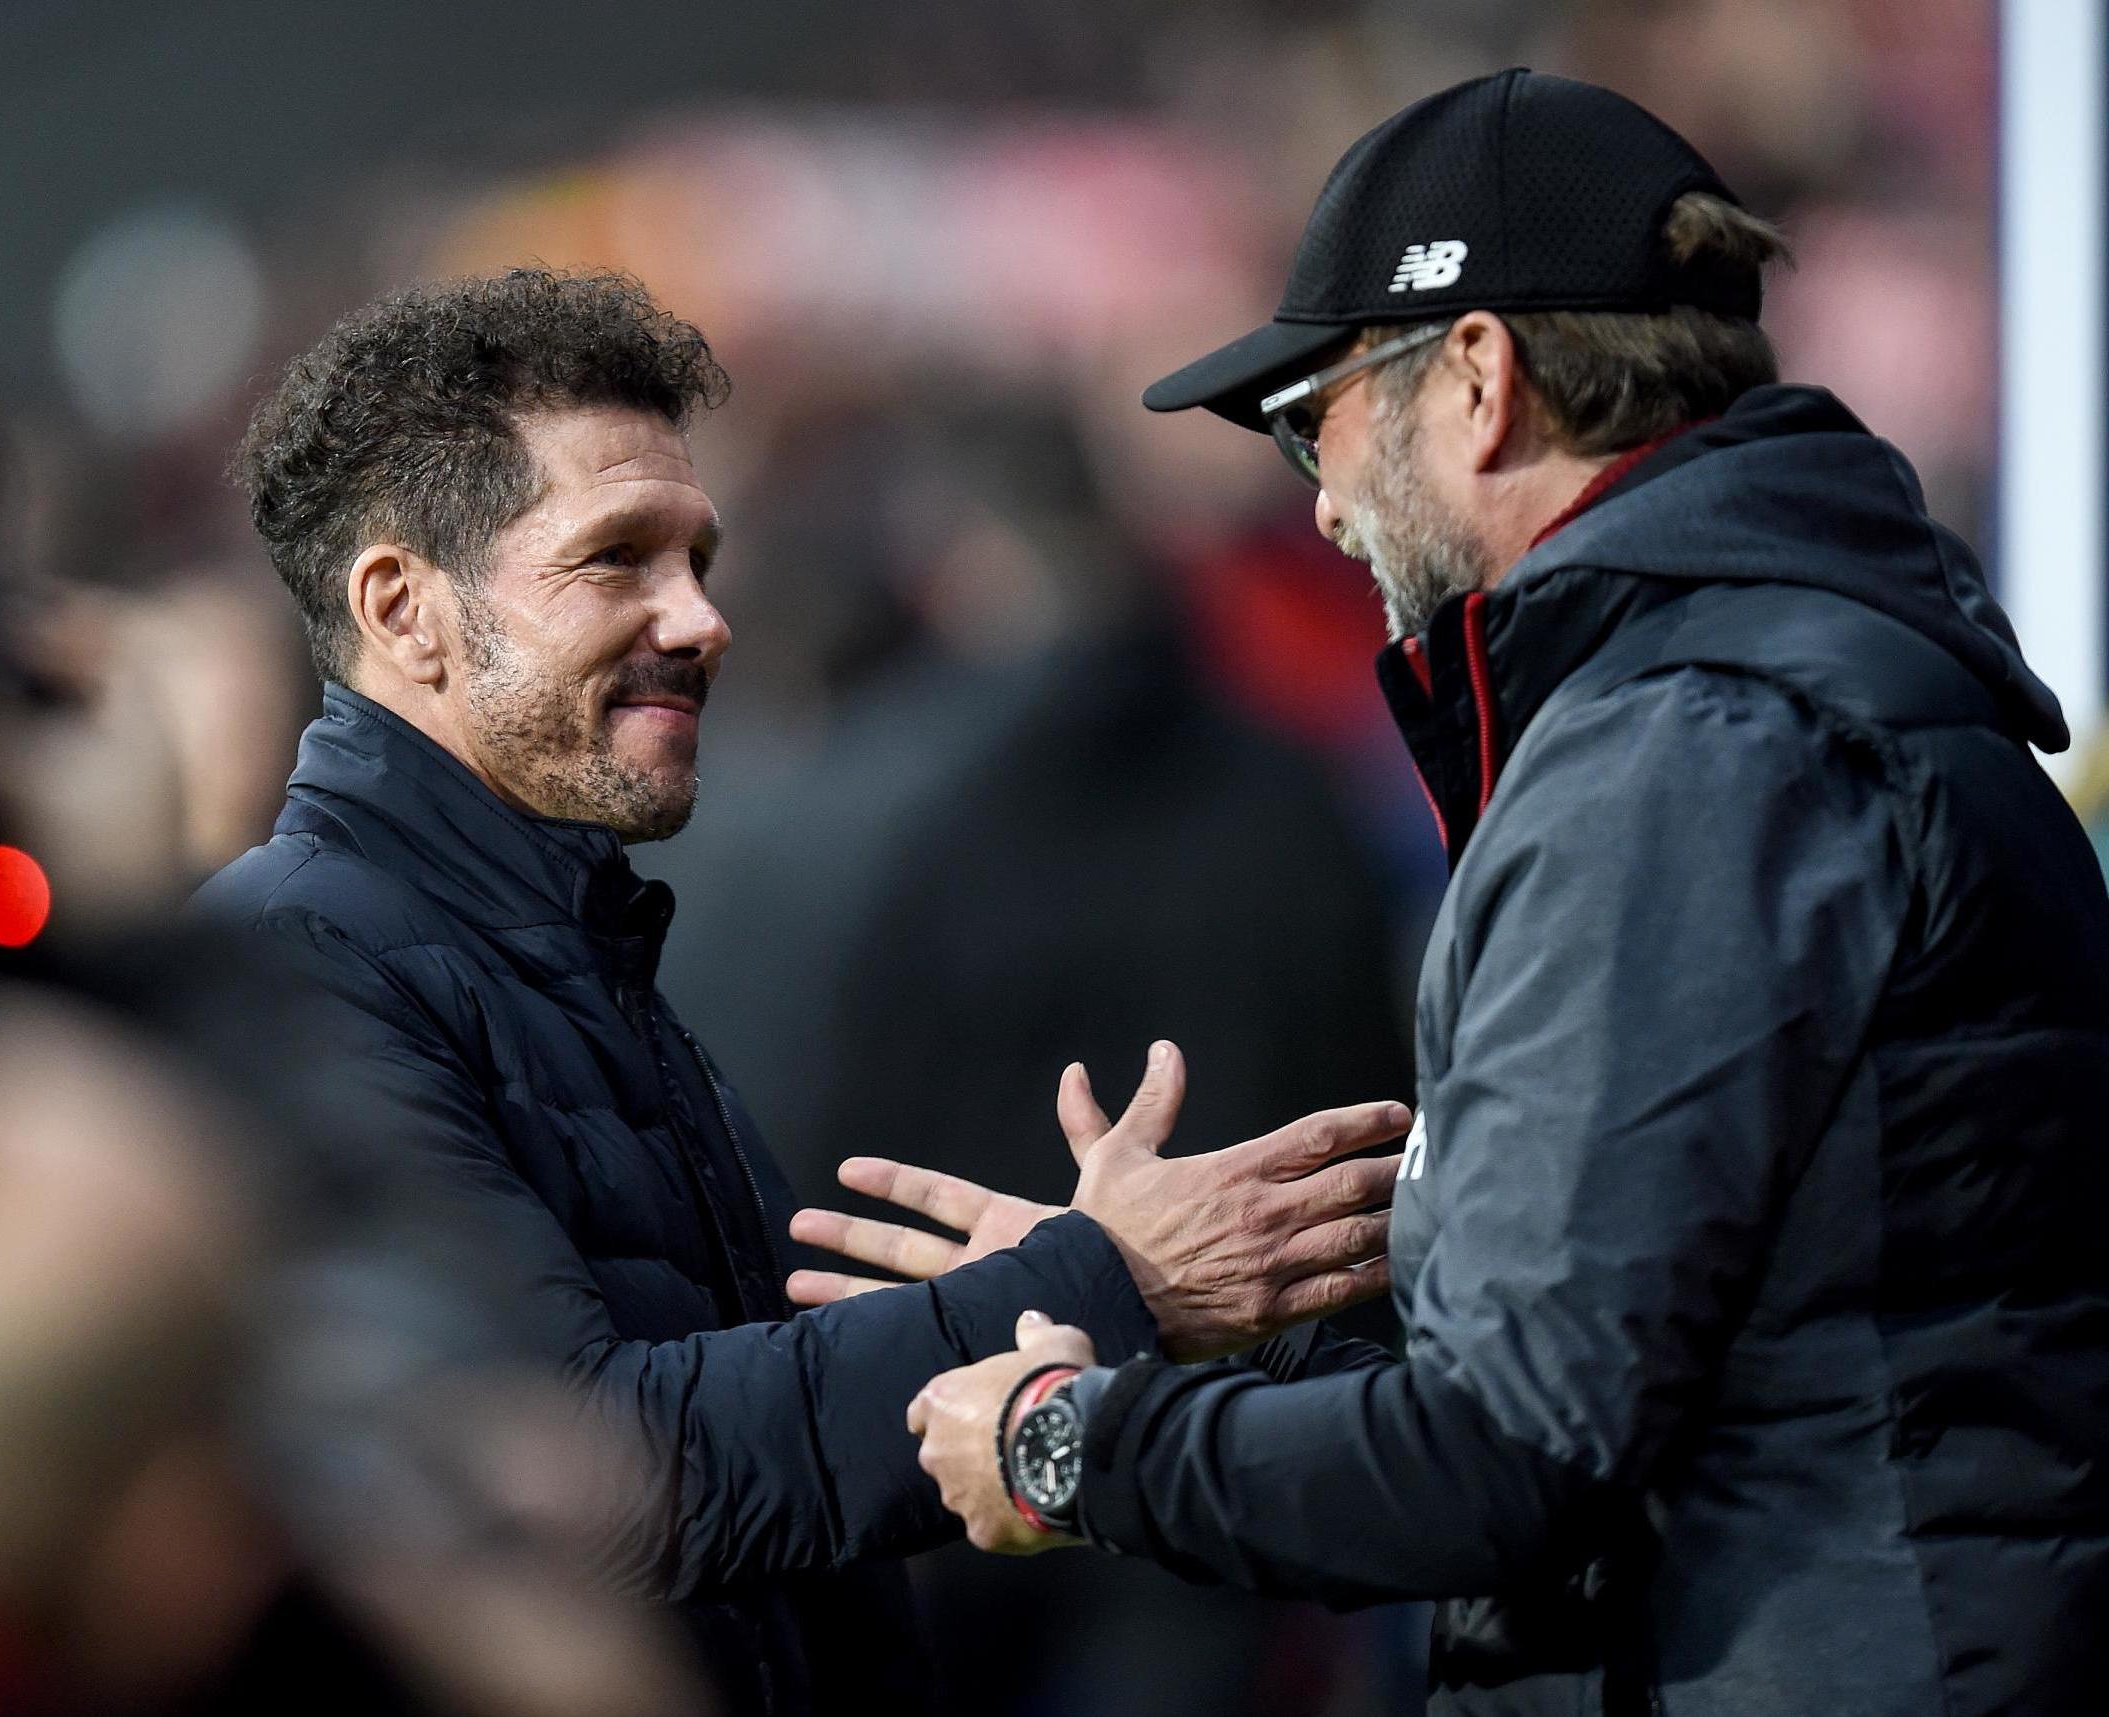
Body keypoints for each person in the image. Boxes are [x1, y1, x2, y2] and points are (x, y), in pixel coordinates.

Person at [898, 68, 2109, 1716]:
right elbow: (1675, 1351)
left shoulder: (1686, 746)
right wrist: (1182, 1326)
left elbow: (1509, 1448)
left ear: (1475, 379)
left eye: (1308, 414)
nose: (1313, 498)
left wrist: (1072, 1446)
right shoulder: (1750, 693)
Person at [196, 269, 1408, 1717]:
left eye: (698, 556)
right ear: (405, 608)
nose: (702, 617)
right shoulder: (294, 963)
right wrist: (1103, 1281)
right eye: (617, 558)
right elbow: (584, 1463)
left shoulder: (566, 929)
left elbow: (749, 1420)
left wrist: (1043, 1291)